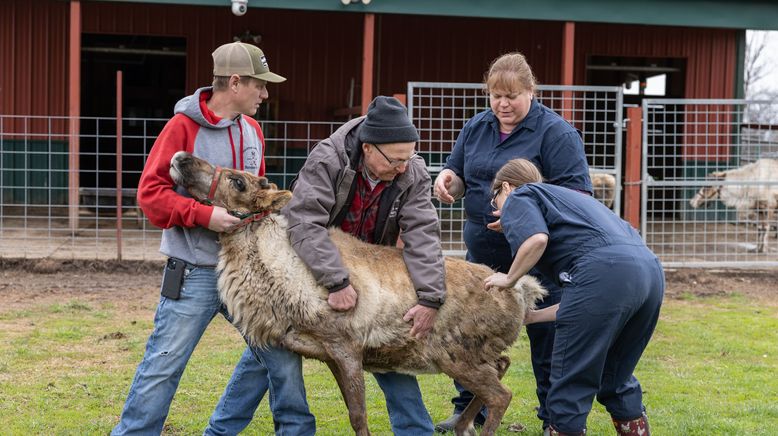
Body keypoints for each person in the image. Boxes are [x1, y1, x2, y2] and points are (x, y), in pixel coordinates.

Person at [112, 41, 316, 436]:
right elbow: (150, 196)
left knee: (279, 355)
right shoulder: (182, 128)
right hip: (195, 271)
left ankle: (248, 430)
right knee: (164, 363)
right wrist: (204, 215)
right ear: (235, 82)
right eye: (260, 85)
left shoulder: (253, 130)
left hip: (246, 277)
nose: (266, 93)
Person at [213, 95, 446, 435]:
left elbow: (424, 233)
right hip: (312, 265)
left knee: (389, 351)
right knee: (276, 342)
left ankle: (416, 432)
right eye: (397, 159)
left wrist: (430, 297)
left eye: (409, 157)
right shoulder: (328, 157)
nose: (404, 166)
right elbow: (304, 222)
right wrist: (336, 281)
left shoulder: (412, 171)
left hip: (369, 273)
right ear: (368, 148)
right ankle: (222, 430)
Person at [433, 52, 592, 433]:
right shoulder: (476, 127)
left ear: (531, 91)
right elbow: (457, 169)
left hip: (541, 256)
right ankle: (469, 412)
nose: (503, 104)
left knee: (548, 337)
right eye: (495, 96)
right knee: (471, 335)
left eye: (512, 96)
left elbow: (576, 195)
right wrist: (448, 180)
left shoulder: (556, 134)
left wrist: (524, 215)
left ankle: (555, 419)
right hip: (482, 256)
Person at [484, 158, 663, 435]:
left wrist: (509, 279)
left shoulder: (523, 194)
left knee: (570, 381)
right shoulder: (571, 202)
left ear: (505, 187)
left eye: (494, 201)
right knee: (615, 376)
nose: (496, 210)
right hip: (648, 273)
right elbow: (585, 300)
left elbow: (537, 240)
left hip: (604, 274)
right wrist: (531, 317)